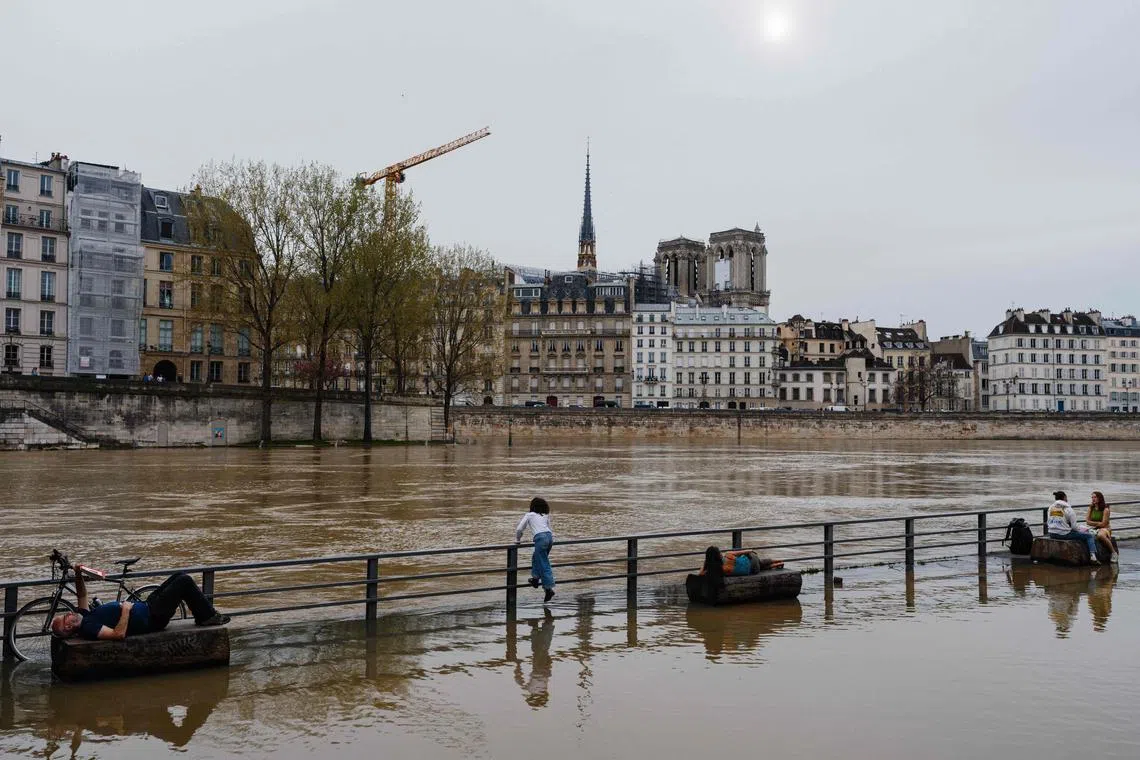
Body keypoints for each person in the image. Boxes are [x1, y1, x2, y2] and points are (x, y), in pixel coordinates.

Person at [49, 563, 230, 641]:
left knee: (179, 576)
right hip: (153, 618)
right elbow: (118, 635)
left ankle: (203, 616)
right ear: (67, 628)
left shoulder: (84, 616)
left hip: (148, 607)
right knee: (184, 581)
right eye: (66, 616)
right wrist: (126, 610)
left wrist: (79, 573)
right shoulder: (88, 628)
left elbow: (81, 595)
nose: (70, 613)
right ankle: (208, 617)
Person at [516, 497, 555, 603]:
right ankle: (535, 579)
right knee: (536, 558)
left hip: (540, 538)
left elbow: (519, 529)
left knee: (543, 563)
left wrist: (518, 540)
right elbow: (550, 529)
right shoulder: (546, 516)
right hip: (549, 538)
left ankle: (548, 589)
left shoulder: (529, 515)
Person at [1046, 490, 1099, 565]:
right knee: (1089, 536)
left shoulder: (1051, 508)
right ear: (1065, 498)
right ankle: (1093, 557)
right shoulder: (1068, 509)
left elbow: (1049, 521)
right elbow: (1074, 527)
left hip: (1051, 533)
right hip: (1063, 534)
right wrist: (1081, 530)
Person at [1085, 490, 1117, 563]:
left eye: (1095, 497)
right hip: (1094, 528)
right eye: (1092, 497)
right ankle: (1092, 555)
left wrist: (1092, 523)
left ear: (1100, 498)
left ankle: (1113, 553)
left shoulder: (1105, 509)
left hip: (1105, 528)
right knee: (1083, 534)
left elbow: (1103, 524)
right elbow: (1087, 521)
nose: (1093, 499)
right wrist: (1097, 523)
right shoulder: (1091, 508)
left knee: (1100, 535)